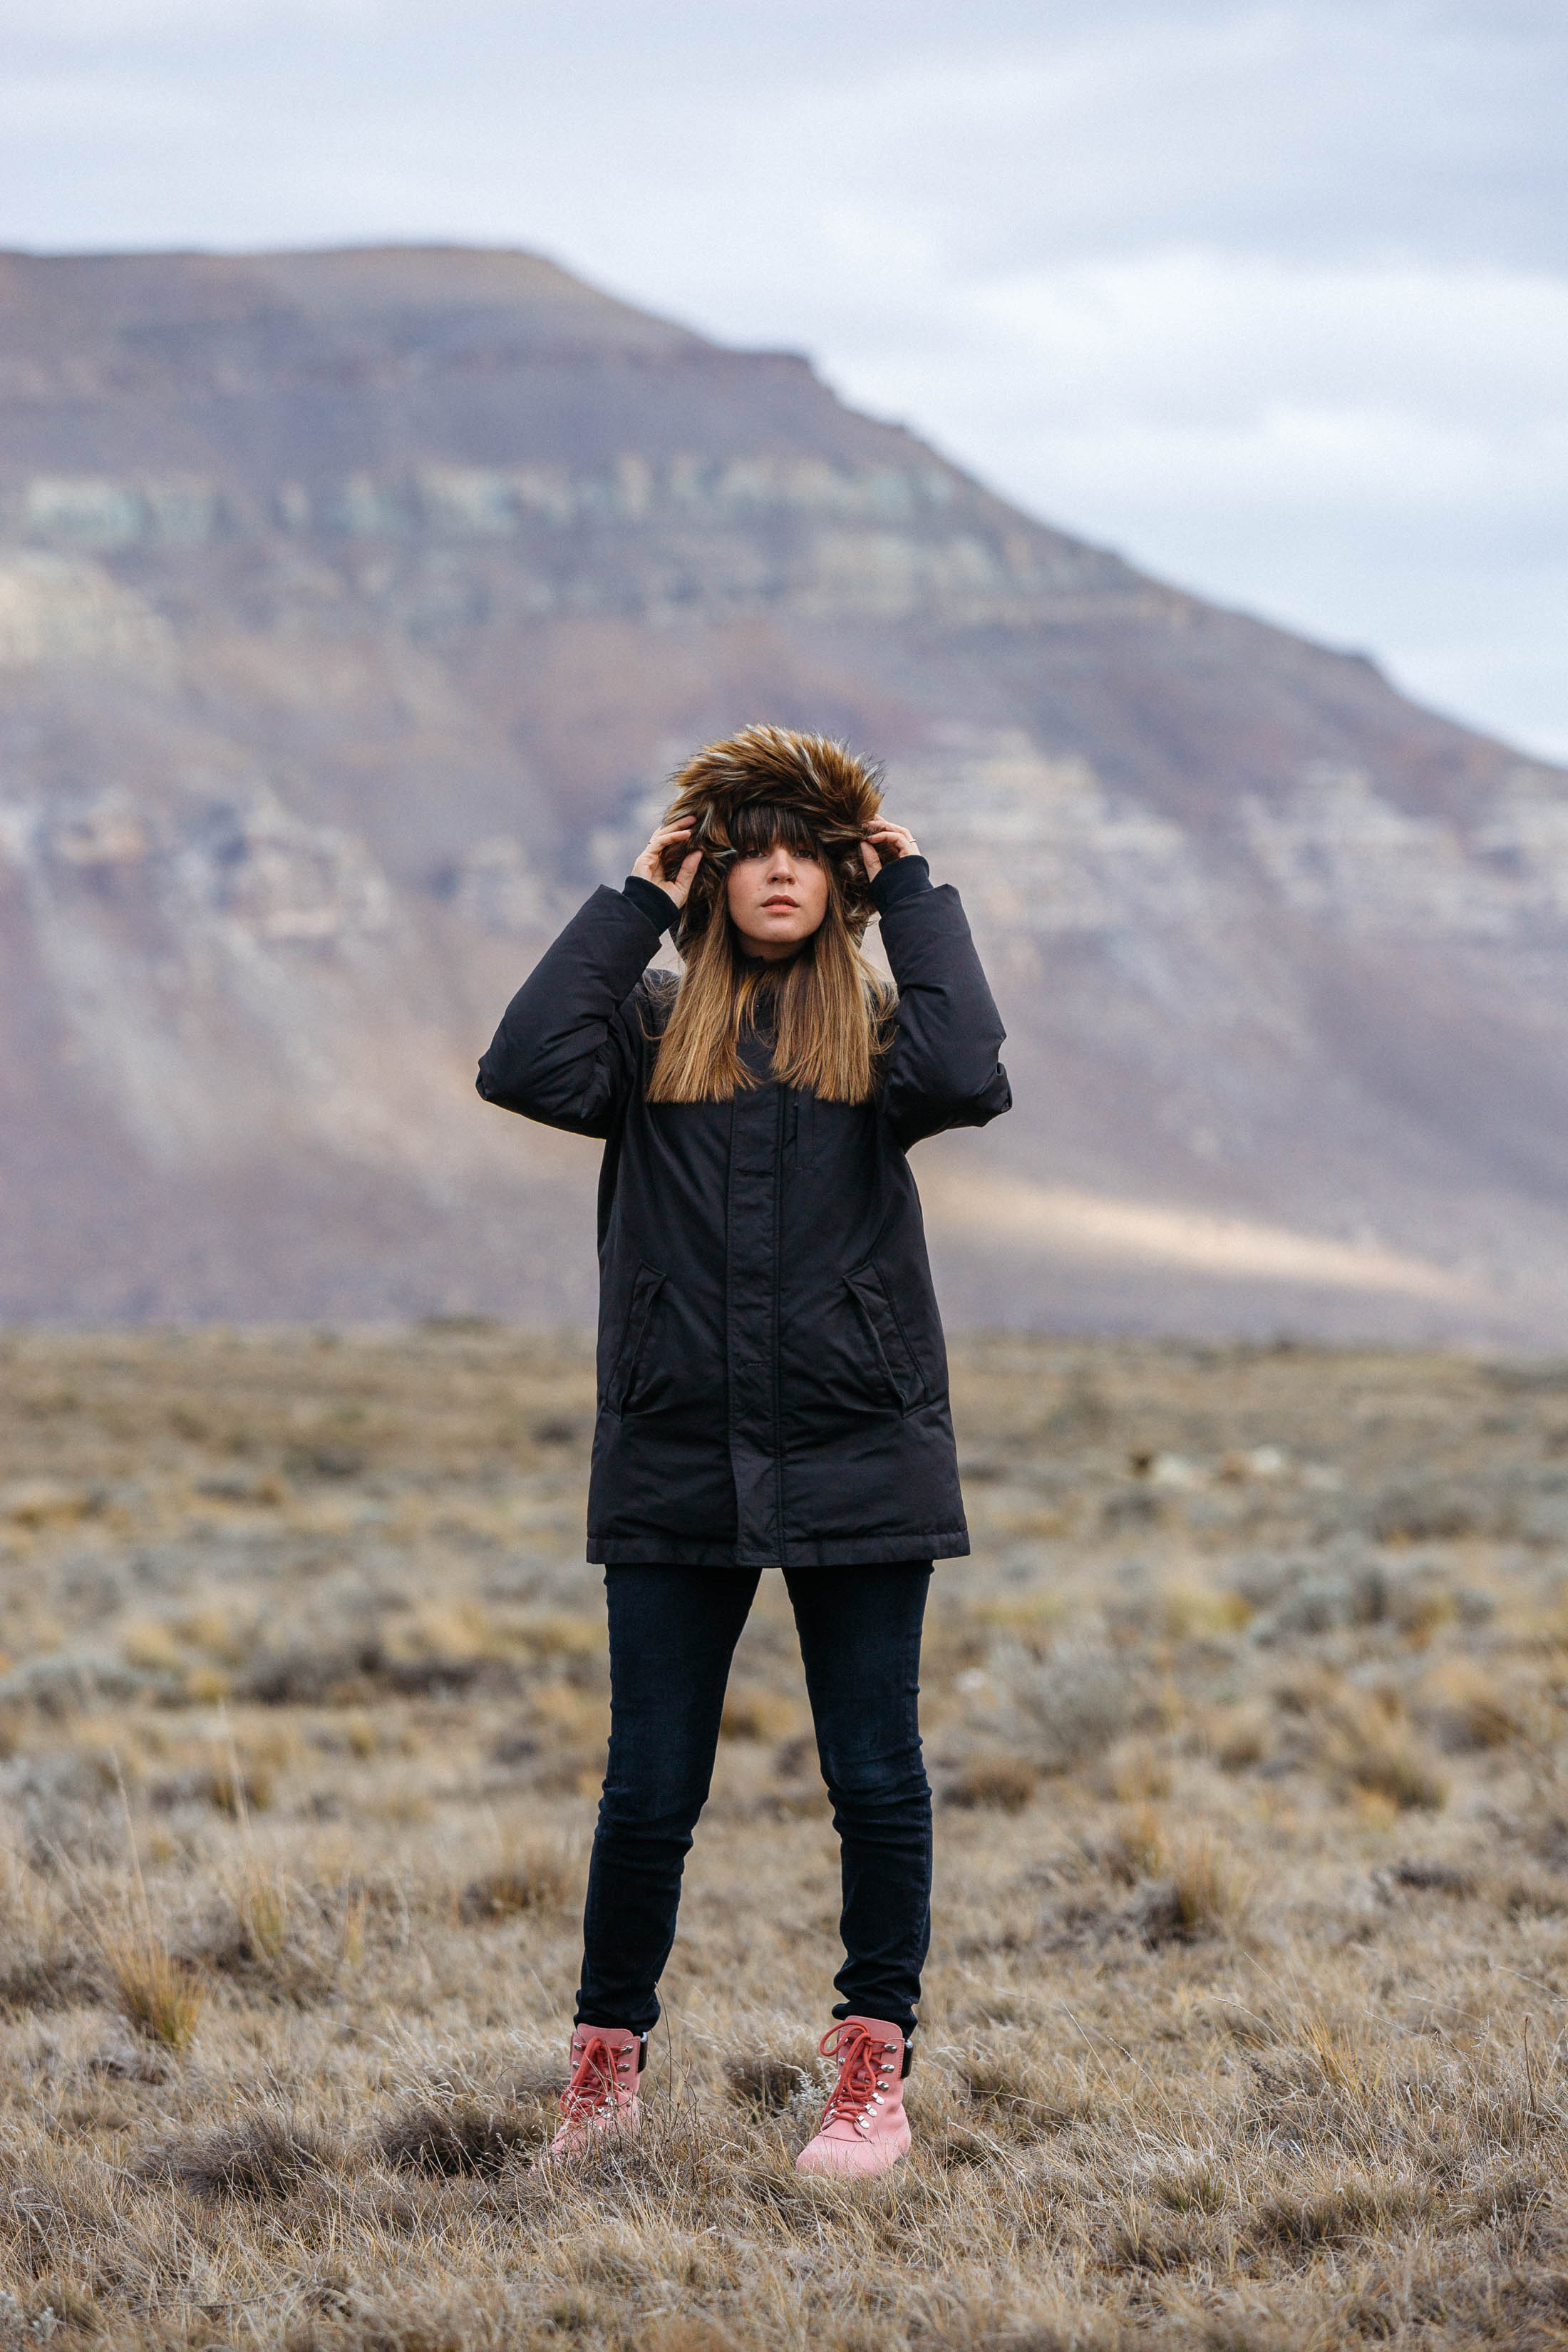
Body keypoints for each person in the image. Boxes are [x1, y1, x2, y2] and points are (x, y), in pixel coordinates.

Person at [476, 725, 1010, 2175]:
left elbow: (969, 1069)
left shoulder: (882, 1042)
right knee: (649, 1788)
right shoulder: (644, 1034)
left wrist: (912, 894)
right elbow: (519, 1066)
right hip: (672, 1452)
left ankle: (869, 2081)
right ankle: (601, 2085)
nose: (777, 873)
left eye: (805, 853)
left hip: (860, 1449)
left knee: (873, 1777)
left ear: (836, 879)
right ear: (713, 874)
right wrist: (632, 902)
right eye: (748, 850)